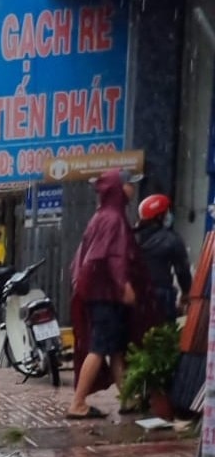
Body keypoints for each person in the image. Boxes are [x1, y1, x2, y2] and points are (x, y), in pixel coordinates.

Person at [67, 170, 140, 420]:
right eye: (128, 185)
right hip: (106, 295)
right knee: (99, 348)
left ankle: (127, 397)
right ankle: (78, 403)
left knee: (115, 348)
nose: (132, 189)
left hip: (99, 293)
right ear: (118, 189)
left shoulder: (101, 216)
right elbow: (112, 257)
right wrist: (123, 286)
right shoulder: (113, 218)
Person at [135, 194, 191, 324]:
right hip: (161, 294)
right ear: (160, 216)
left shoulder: (132, 237)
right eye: (167, 212)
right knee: (162, 334)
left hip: (136, 295)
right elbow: (182, 269)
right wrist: (185, 292)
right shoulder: (171, 239)